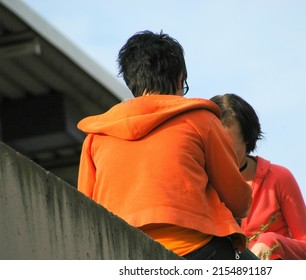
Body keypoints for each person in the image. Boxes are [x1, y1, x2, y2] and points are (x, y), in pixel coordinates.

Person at [77, 30, 255, 260]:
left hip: (121, 255)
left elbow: (83, 212)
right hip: (196, 252)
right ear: (179, 79)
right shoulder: (201, 120)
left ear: (131, 80)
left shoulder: (96, 136)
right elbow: (239, 202)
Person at [210, 93, 306, 260]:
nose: (222, 153)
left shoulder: (280, 178)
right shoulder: (203, 183)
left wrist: (272, 241)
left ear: (248, 140)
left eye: (229, 146)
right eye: (216, 144)